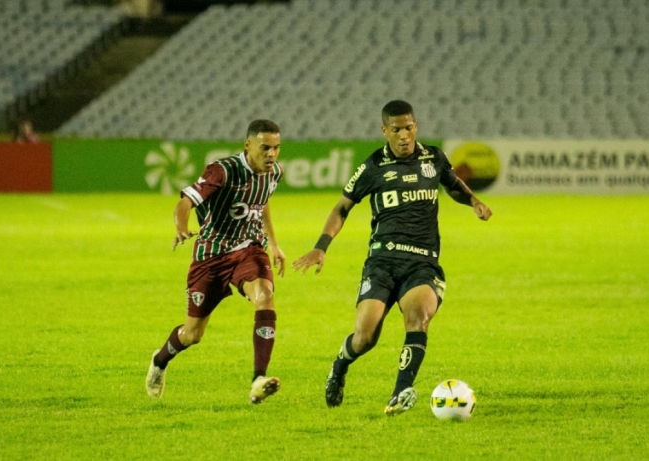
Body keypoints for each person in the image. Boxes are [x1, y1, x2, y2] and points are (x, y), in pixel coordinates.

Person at [292, 100, 492, 416]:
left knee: (418, 316)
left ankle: (399, 394)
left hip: (422, 262)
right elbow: (342, 208)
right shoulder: (373, 167)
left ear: (416, 127)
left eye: (408, 127)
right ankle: (340, 366)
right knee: (365, 336)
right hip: (382, 262)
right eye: (396, 129)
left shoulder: (433, 158)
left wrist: (474, 202)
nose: (403, 135)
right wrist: (321, 246)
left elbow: (453, 185)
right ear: (384, 130)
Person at [146, 119, 286, 404]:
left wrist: (272, 243)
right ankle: (160, 361)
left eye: (276, 148)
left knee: (265, 295)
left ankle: (258, 378)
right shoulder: (222, 171)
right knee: (192, 334)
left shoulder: (274, 173)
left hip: (249, 249)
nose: (271, 154)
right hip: (211, 255)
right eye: (265, 148)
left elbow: (263, 201)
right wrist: (181, 227)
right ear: (248, 146)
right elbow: (185, 202)